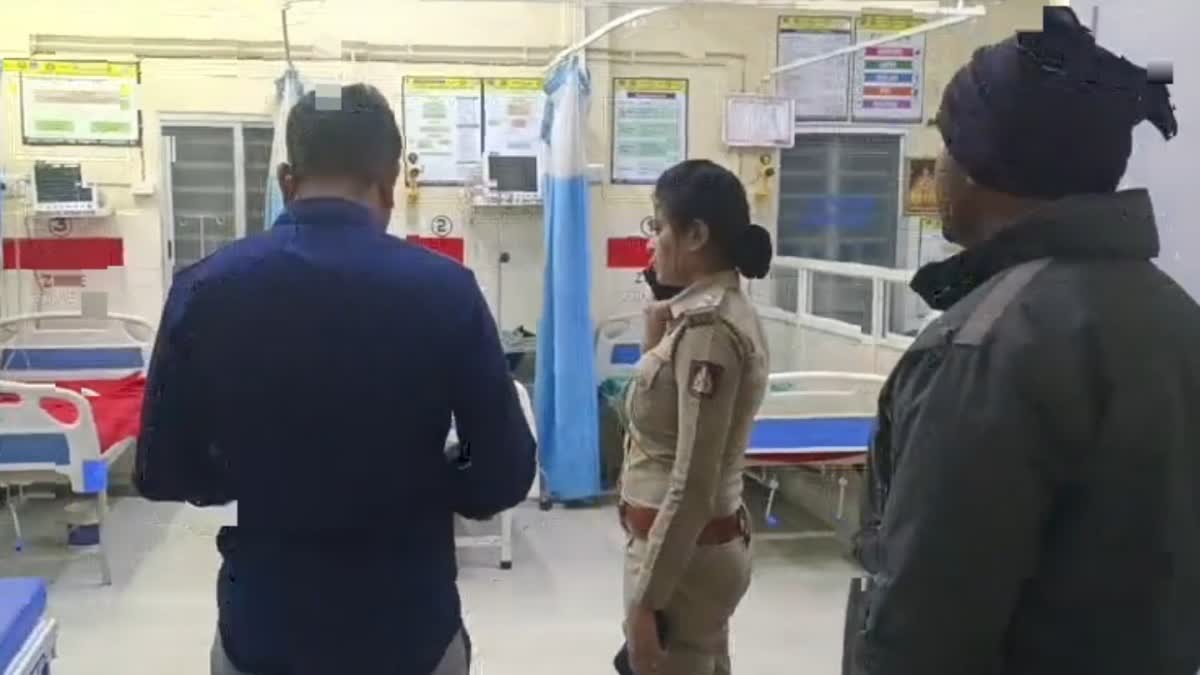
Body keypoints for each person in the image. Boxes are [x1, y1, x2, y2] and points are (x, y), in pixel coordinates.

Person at [134, 83, 536, 675]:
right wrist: (430, 481)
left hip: (267, 626)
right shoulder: (445, 290)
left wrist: (257, 476)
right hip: (407, 626)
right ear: (389, 184)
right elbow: (505, 474)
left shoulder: (204, 289)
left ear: (285, 180)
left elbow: (161, 470)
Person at [847, 7, 1200, 675]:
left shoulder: (984, 349)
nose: (936, 171)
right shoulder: (1176, 318)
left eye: (945, 145)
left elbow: (924, 631)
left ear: (981, 167)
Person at [618, 159, 773, 675]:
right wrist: (657, 333)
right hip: (687, 552)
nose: (651, 242)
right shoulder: (703, 317)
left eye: (658, 226)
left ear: (696, 235)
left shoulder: (709, 331)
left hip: (681, 563)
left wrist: (646, 601)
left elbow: (694, 482)